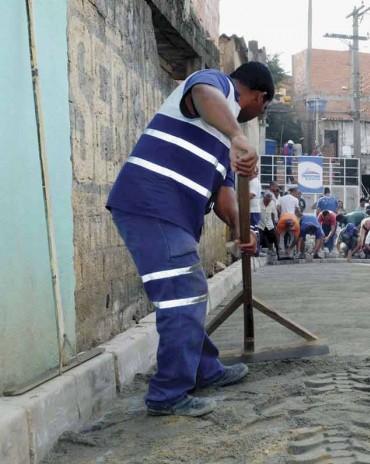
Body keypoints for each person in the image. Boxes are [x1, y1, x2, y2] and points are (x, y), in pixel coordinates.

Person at [105, 62, 274, 417]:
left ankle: (204, 369)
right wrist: (237, 136)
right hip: (151, 203)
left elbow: (225, 196)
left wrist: (245, 234)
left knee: (192, 291)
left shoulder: (220, 138)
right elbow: (200, 93)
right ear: (259, 97)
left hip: (169, 213)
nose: (255, 118)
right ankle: (168, 394)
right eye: (263, 108)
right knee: (183, 294)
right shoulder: (217, 86)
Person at [259, 192, 278, 257]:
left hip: (269, 223)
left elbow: (273, 214)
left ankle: (271, 250)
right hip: (260, 223)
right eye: (267, 201)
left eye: (269, 201)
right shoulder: (259, 202)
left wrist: (274, 224)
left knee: (272, 236)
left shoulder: (272, 203)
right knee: (259, 237)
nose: (268, 202)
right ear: (264, 198)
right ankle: (258, 250)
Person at [249, 167, 262, 256]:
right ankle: (255, 249)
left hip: (253, 211)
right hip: (252, 210)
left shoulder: (254, 182)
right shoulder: (252, 182)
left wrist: (237, 200)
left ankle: (256, 250)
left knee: (253, 230)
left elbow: (251, 195)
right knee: (253, 230)